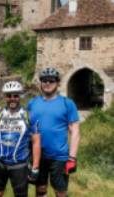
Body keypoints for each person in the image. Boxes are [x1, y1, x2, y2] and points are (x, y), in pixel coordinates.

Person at [27, 68, 80, 197]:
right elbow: (26, 129)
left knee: (60, 191)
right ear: (40, 83)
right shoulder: (32, 103)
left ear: (58, 83)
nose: (47, 83)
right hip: (38, 155)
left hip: (59, 156)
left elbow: (75, 132)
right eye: (44, 80)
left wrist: (72, 158)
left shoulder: (67, 103)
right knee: (40, 189)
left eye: (51, 80)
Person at [0, 81, 41, 197]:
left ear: (19, 96)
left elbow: (36, 142)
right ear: (5, 97)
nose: (12, 99)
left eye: (15, 95)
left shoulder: (29, 116)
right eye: (9, 96)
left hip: (19, 165)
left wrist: (35, 166)